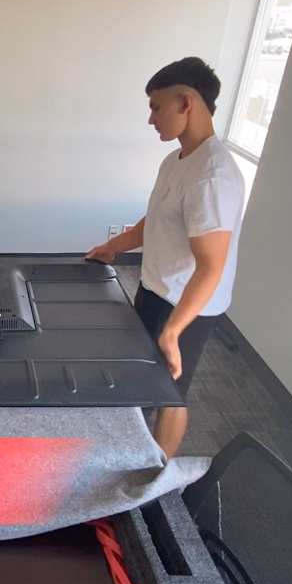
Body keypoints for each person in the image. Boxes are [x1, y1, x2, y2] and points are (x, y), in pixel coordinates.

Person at [86, 57, 246, 458]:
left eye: (157, 107)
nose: (151, 118)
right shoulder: (176, 161)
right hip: (156, 287)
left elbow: (211, 266)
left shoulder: (212, 176)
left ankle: (154, 480)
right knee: (144, 373)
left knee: (171, 392)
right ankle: (132, 445)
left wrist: (174, 331)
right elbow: (155, 219)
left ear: (186, 102)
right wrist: (115, 247)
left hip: (186, 305)